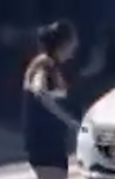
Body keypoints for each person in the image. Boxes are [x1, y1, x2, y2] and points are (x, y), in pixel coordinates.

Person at [22, 20, 80, 179]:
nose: (75, 46)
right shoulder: (44, 65)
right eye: (73, 41)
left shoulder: (53, 66)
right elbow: (39, 91)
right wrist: (68, 120)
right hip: (43, 142)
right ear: (64, 43)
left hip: (53, 142)